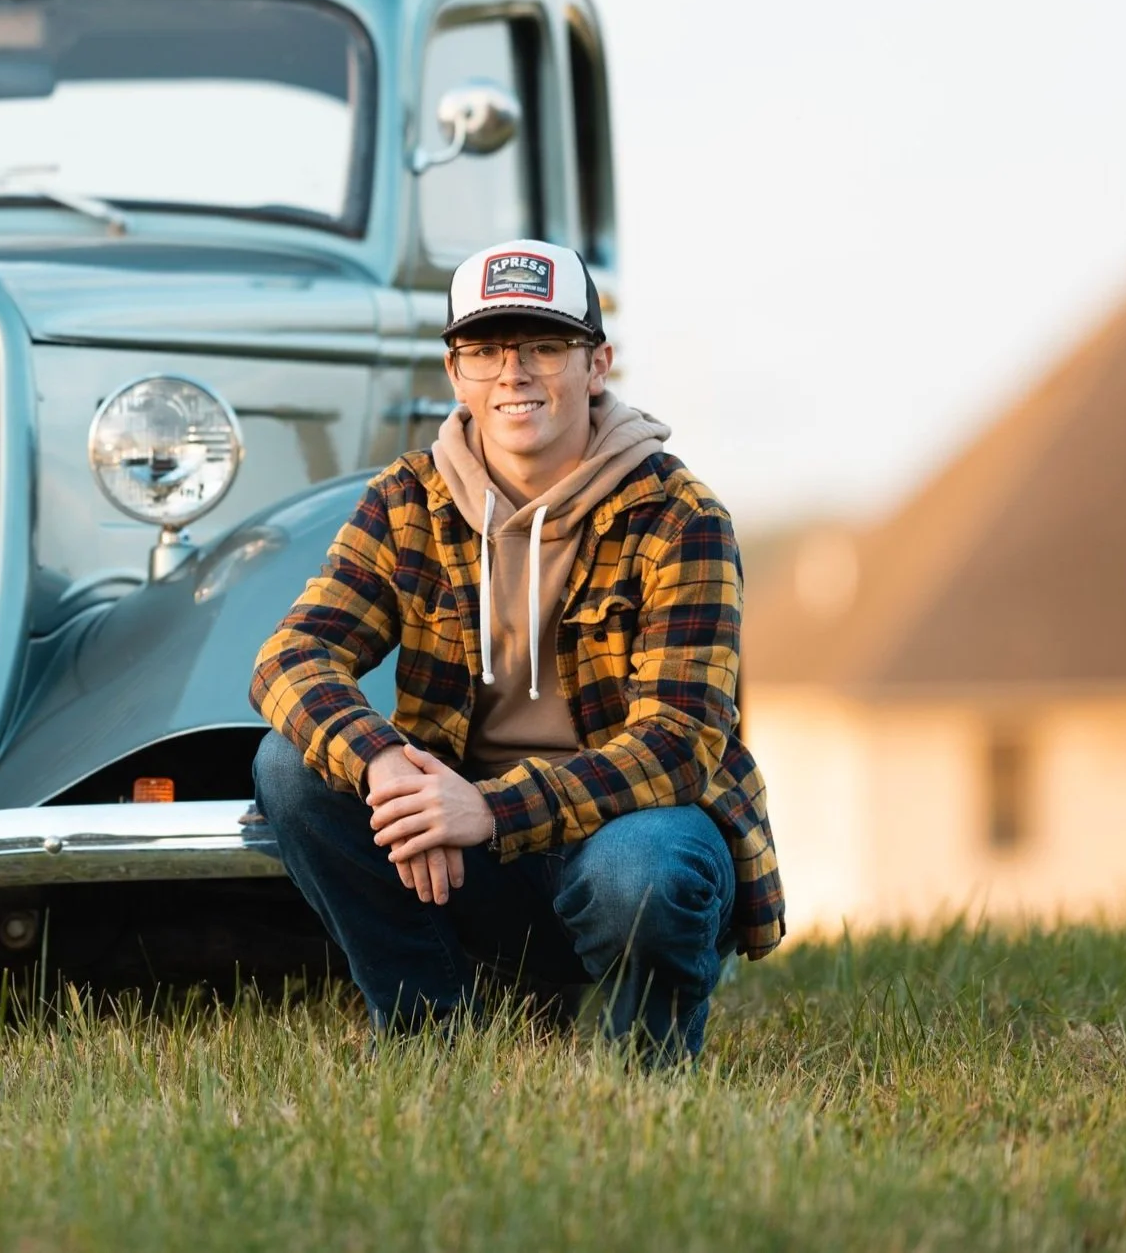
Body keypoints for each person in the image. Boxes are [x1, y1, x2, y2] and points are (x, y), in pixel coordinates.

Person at [247, 239, 783, 1063]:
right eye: (487, 349)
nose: (514, 373)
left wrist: (491, 809)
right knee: (291, 767)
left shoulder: (681, 517)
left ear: (597, 363)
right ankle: (433, 1037)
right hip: (472, 854)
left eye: (544, 346)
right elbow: (290, 658)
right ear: (454, 373)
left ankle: (649, 1057)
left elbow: (679, 748)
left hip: (626, 838)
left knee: (646, 864)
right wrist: (386, 764)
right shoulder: (406, 502)